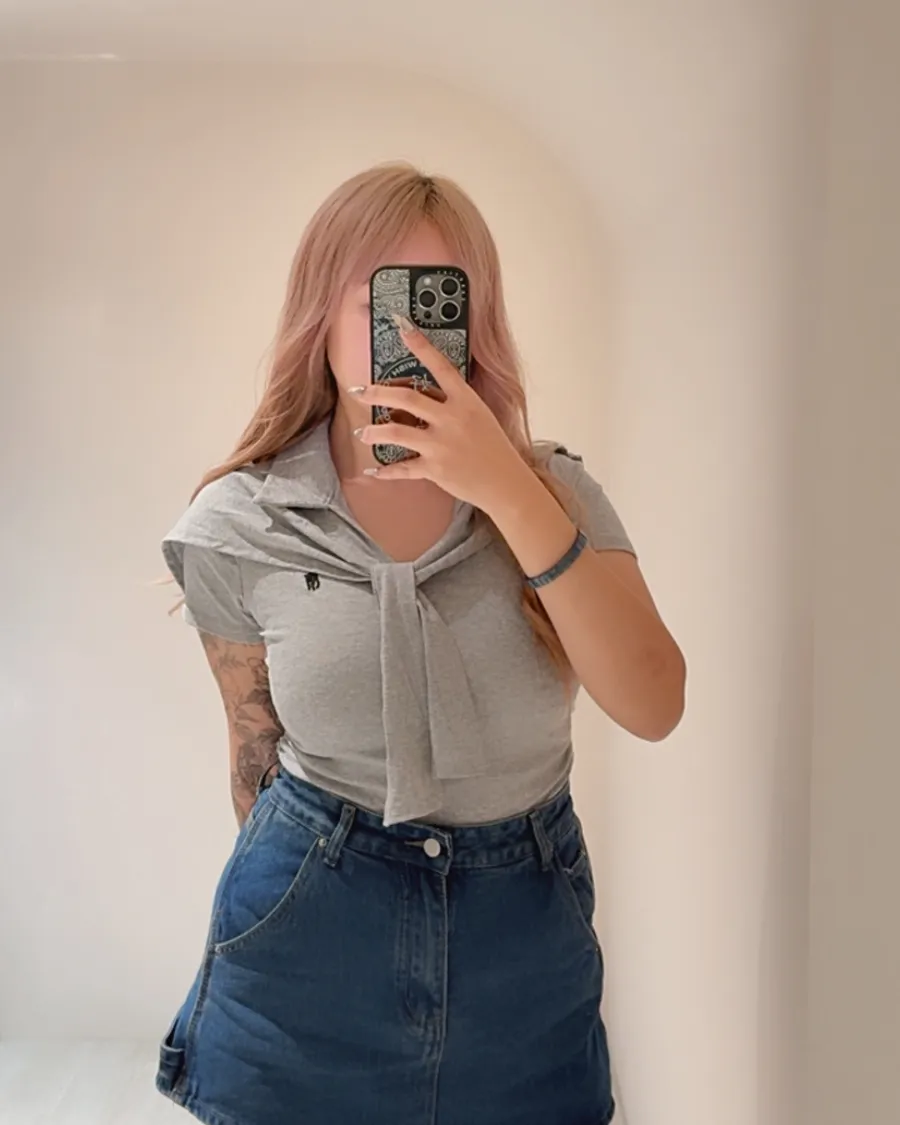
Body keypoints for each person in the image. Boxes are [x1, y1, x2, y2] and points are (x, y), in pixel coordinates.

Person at [155, 162, 686, 1125]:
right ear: (320, 314)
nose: (405, 336)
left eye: (436, 300)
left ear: (476, 324)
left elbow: (655, 702)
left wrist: (509, 489)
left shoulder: (555, 495)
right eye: (377, 300)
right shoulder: (242, 522)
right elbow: (253, 756)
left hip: (524, 956)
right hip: (307, 952)